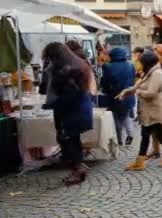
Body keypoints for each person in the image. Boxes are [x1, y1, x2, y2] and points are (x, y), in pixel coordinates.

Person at [40, 42, 93, 186]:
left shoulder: (67, 70)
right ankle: (77, 169)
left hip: (72, 110)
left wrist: (52, 104)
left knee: (70, 140)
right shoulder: (76, 65)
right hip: (77, 109)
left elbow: (70, 95)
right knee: (72, 140)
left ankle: (78, 170)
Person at [119, 50, 162, 171]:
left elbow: (151, 93)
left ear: (147, 62)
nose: (138, 64)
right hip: (149, 112)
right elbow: (138, 86)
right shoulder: (149, 72)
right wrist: (127, 91)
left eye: (141, 62)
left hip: (155, 112)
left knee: (156, 135)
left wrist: (137, 92)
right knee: (150, 135)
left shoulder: (157, 73)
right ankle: (143, 161)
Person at [100, 48, 136, 146]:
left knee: (116, 118)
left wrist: (105, 90)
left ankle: (120, 140)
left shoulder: (108, 67)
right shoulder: (130, 65)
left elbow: (104, 83)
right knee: (126, 116)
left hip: (114, 96)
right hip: (128, 95)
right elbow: (133, 81)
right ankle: (130, 134)